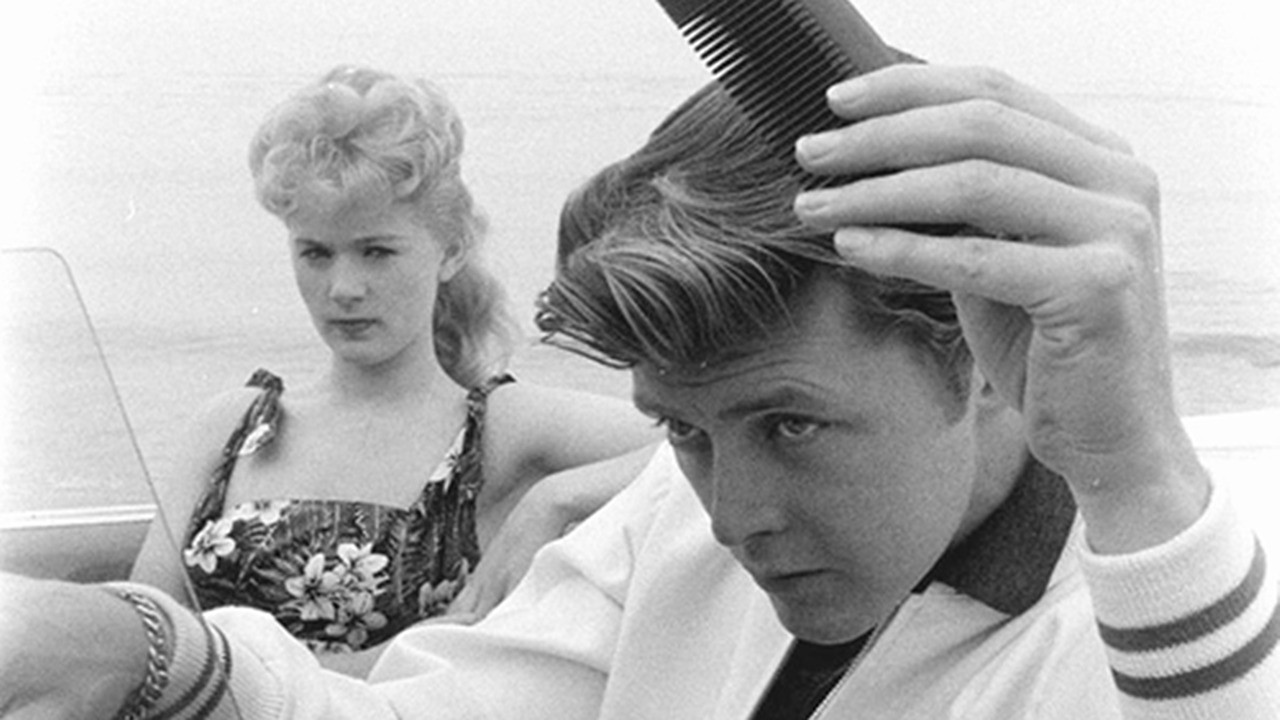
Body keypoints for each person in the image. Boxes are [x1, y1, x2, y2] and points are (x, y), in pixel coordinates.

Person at [2, 61, 1277, 719]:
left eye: (790, 424)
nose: (733, 516)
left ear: (981, 359)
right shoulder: (670, 519)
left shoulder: (1131, 642)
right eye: (683, 431)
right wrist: (148, 649)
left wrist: (1137, 474)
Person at [126, 65, 660, 673]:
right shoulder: (233, 424)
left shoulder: (495, 428)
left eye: (376, 252)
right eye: (315, 253)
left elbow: (704, 438)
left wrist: (554, 499)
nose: (343, 288)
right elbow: (143, 635)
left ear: (451, 249)